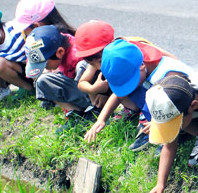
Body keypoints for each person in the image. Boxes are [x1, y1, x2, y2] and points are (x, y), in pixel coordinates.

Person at [75, 20, 177, 149]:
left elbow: (172, 58)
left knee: (138, 85)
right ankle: (140, 112)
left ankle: (152, 122)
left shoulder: (133, 49)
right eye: (94, 64)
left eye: (100, 61)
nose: (99, 68)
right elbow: (115, 93)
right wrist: (100, 116)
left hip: (160, 85)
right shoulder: (105, 59)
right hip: (141, 86)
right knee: (124, 84)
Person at [24, 25, 93, 132]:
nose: (45, 68)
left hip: (93, 95)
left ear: (60, 52)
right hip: (78, 92)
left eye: (45, 64)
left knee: (81, 67)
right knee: (42, 81)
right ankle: (76, 113)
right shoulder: (58, 41)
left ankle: (93, 112)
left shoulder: (77, 56)